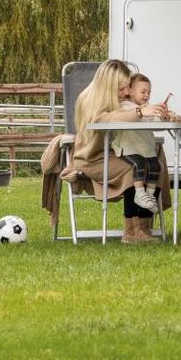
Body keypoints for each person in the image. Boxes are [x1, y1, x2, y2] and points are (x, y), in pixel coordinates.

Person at [71, 58, 162, 244]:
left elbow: (127, 115)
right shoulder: (88, 100)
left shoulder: (118, 100)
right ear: (108, 87)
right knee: (133, 168)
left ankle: (144, 228)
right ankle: (131, 231)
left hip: (112, 152)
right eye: (122, 88)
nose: (128, 92)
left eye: (128, 86)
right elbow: (106, 119)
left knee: (154, 163)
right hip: (92, 159)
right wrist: (139, 113)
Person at [113, 72, 169, 215]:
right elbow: (133, 116)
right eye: (143, 91)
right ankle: (140, 194)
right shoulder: (125, 107)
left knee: (156, 166)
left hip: (145, 148)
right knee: (140, 165)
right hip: (129, 148)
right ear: (131, 91)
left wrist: (163, 118)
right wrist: (144, 112)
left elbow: (158, 126)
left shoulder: (147, 108)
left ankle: (149, 196)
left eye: (149, 92)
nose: (147, 95)